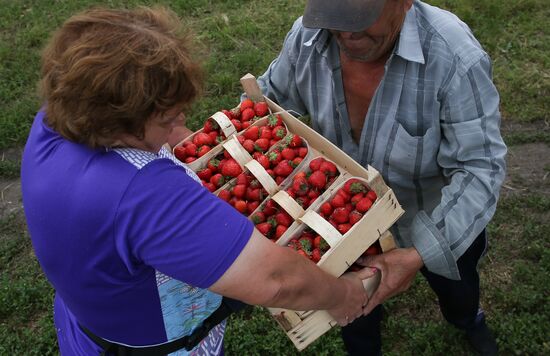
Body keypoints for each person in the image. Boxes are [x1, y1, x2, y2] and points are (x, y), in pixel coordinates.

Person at [20, 6, 377, 355]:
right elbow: (276, 279)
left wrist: (176, 132)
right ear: (124, 121)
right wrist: (342, 296)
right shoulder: (145, 196)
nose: (181, 119)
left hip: (89, 321)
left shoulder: (56, 122)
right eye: (167, 117)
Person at [256, 0, 507, 355]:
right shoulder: (308, 38)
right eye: (335, 19)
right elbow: (269, 101)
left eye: (361, 19)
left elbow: (480, 167)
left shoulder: (454, 58)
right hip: (346, 226)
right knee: (355, 312)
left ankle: (467, 319)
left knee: (457, 284)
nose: (346, 32)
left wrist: (420, 253)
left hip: (433, 215)